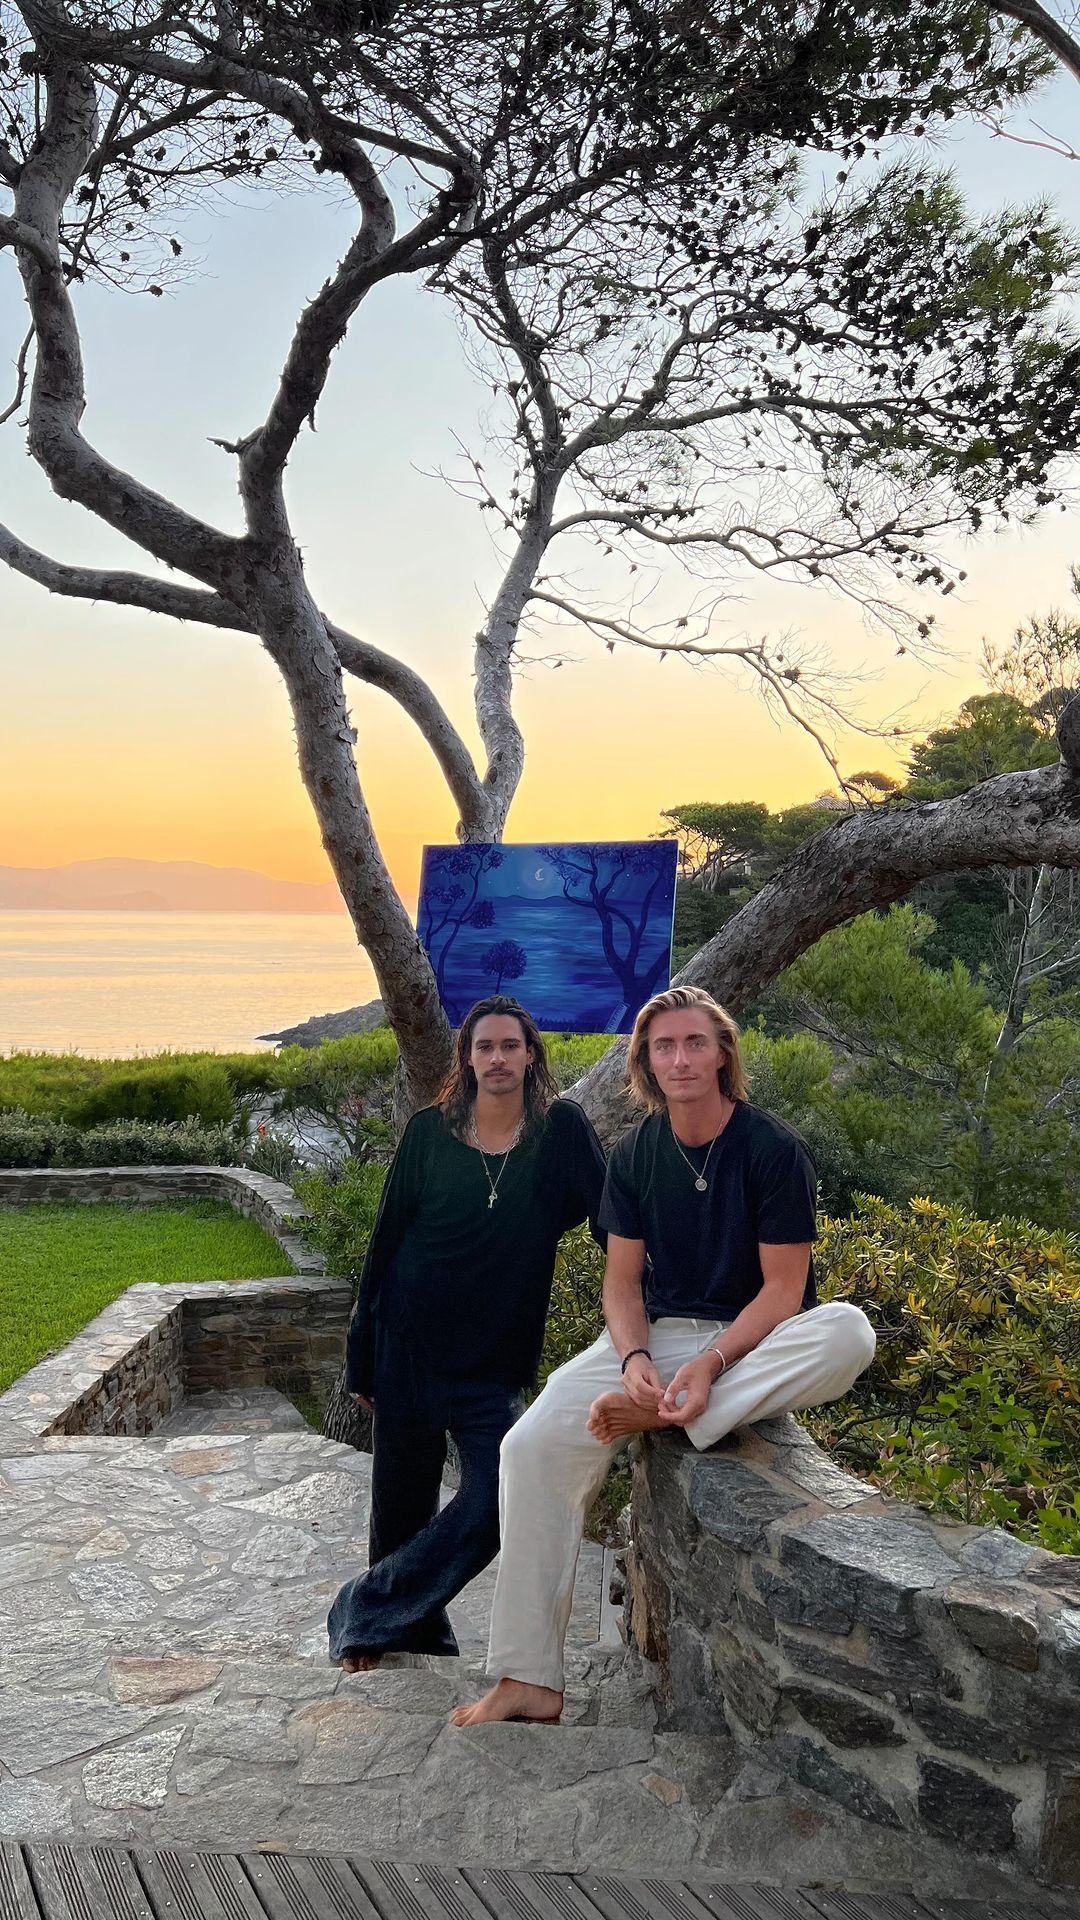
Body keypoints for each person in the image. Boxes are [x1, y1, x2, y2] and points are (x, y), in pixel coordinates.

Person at [453, 984, 876, 1728]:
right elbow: (621, 1286)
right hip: (660, 1332)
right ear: (647, 1062)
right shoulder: (635, 1155)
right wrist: (633, 1360)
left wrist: (711, 1366)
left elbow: (784, 1292)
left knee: (849, 1332)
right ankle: (529, 1679)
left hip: (752, 1338)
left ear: (722, 1055)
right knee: (527, 1447)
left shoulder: (773, 1151)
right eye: (663, 1046)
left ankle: (662, 1415)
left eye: (694, 1043)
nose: (680, 1058)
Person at [327, 994, 607, 1673]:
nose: (498, 1058)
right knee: (401, 1504)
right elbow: (385, 1242)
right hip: (407, 1348)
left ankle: (362, 1607)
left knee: (500, 1496)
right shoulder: (429, 1132)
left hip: (493, 1363)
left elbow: (611, 1222)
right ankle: (396, 1631)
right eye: (485, 1047)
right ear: (468, 1058)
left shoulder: (561, 1133)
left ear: (531, 1055)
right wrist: (362, 1357)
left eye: (511, 1045)